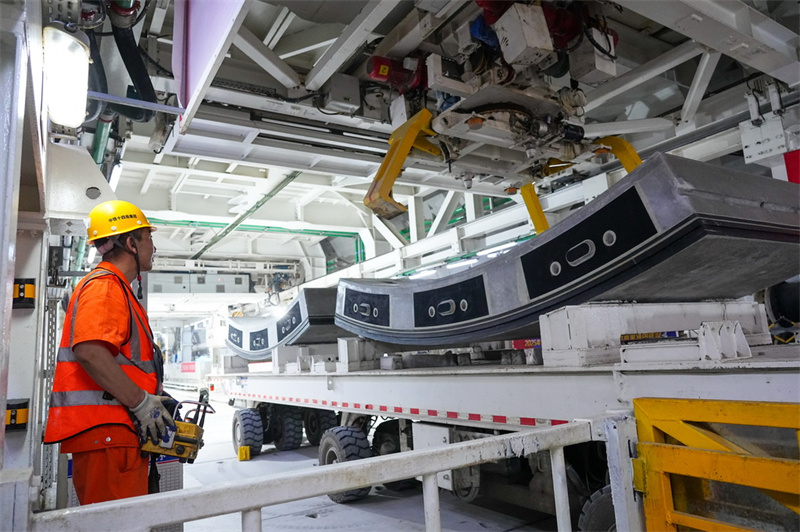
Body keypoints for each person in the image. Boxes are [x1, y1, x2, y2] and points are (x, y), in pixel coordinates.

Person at [43, 200, 175, 504]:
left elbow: (124, 362)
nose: (153, 247)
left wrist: (152, 396)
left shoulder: (117, 288)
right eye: (149, 238)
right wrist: (141, 402)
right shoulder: (106, 286)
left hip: (117, 436)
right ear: (131, 243)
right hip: (109, 438)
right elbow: (90, 351)